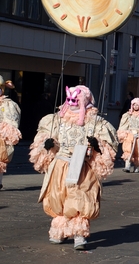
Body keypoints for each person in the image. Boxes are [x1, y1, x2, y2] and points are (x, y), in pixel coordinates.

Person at [29, 85, 118, 250]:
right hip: (60, 164)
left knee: (81, 197)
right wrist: (49, 144)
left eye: (76, 100)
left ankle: (79, 234)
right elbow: (47, 137)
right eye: (70, 100)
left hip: (82, 166)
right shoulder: (58, 119)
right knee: (58, 197)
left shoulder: (95, 122)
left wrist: (97, 146)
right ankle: (60, 230)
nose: (72, 103)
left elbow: (107, 144)